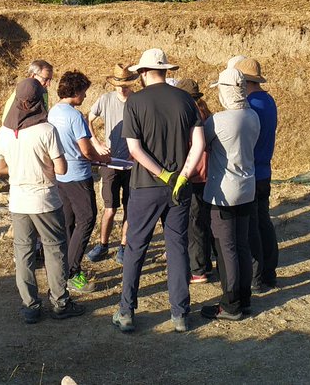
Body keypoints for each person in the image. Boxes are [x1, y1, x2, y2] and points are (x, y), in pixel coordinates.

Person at [112, 48, 205, 334]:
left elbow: (134, 149)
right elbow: (199, 144)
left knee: (136, 247)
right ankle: (180, 314)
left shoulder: (135, 103)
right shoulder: (186, 100)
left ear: (141, 73)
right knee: (177, 248)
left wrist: (161, 173)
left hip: (145, 187)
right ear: (165, 70)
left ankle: (127, 311)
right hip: (180, 187)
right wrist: (182, 175)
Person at [0, 77, 84, 323]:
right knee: (54, 250)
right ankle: (60, 302)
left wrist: (20, 169)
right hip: (45, 199)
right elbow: (62, 168)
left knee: (23, 253)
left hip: (18, 201)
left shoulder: (4, 132)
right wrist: (41, 168)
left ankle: (30, 306)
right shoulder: (46, 130)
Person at [199, 66, 260, 321]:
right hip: (247, 188)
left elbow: (201, 143)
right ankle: (244, 299)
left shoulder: (219, 121)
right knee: (242, 244)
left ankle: (230, 304)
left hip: (223, 192)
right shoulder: (253, 116)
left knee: (226, 249)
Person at [48, 70, 109, 293]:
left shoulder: (53, 112)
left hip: (60, 174)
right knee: (87, 219)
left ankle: (60, 269)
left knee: (67, 222)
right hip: (78, 175)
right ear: (74, 92)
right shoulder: (75, 116)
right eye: (83, 92)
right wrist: (102, 159)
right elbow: (86, 150)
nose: (85, 97)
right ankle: (72, 272)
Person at [86, 64, 139, 265]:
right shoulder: (105, 99)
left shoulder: (138, 101)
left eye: (125, 84)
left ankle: (124, 246)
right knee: (109, 208)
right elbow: (88, 120)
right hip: (109, 162)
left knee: (129, 207)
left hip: (132, 164)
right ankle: (103, 244)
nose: (121, 88)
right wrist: (96, 142)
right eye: (118, 84)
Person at [235, 57, 280, 292]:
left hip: (250, 171)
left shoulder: (249, 105)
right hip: (265, 169)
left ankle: (257, 276)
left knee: (251, 227)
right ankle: (270, 272)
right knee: (264, 221)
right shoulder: (268, 100)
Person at [174, 78, 214, 284]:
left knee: (194, 224)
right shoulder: (206, 114)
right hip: (208, 177)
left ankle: (198, 270)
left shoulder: (190, 116)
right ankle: (205, 264)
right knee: (203, 223)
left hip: (194, 176)